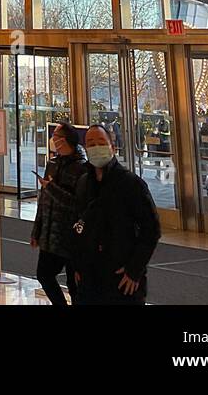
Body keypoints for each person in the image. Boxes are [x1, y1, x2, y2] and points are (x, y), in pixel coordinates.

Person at [71, 123, 160, 305]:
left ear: (112, 146)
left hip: (120, 279)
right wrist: (78, 265)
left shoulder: (130, 184)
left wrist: (134, 269)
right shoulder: (83, 184)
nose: (96, 148)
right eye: (91, 144)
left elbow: (151, 229)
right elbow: (77, 224)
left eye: (100, 142)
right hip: (89, 279)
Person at [29, 122, 88, 305]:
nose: (52, 139)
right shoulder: (52, 164)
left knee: (75, 284)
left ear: (65, 140)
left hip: (72, 236)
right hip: (50, 234)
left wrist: (52, 188)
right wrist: (36, 230)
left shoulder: (82, 168)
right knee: (44, 275)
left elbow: (78, 204)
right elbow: (44, 201)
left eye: (56, 136)